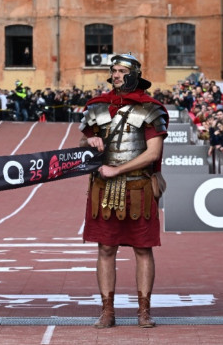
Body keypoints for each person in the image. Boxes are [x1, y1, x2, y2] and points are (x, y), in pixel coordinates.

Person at [79, 53, 168, 329]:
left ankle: (144, 311)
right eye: (113, 70)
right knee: (105, 248)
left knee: (143, 249)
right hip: (103, 189)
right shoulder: (97, 107)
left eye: (120, 71)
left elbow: (153, 153)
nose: (115, 75)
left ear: (134, 74)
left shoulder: (151, 109)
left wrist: (118, 169)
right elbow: (82, 146)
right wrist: (89, 139)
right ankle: (108, 311)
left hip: (139, 187)